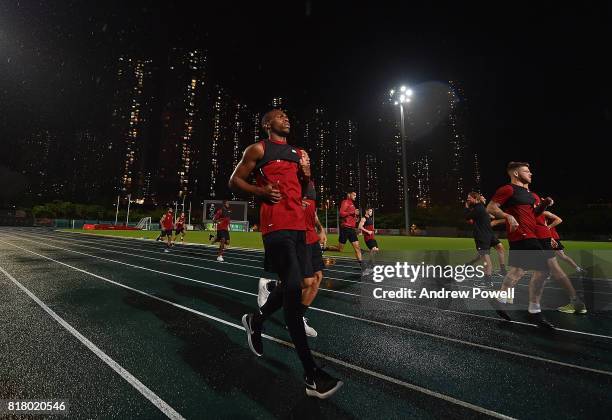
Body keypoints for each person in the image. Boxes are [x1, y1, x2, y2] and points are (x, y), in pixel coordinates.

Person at [229, 109, 342, 399]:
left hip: (302, 228)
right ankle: (311, 374)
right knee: (293, 289)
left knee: (306, 282)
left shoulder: (299, 151)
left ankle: (257, 319)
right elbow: (234, 181)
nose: (286, 118)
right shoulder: (258, 148)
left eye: (288, 116)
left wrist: (306, 176)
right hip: (276, 225)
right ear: (268, 124)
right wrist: (260, 190)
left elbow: (305, 189)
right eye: (280, 116)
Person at [486, 162, 555, 329]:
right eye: (526, 171)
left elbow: (534, 214)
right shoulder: (508, 189)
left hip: (532, 235)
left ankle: (500, 298)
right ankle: (534, 311)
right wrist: (507, 216)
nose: (530, 173)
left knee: (518, 270)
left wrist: (544, 204)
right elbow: (491, 208)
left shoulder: (531, 194)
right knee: (544, 269)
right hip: (521, 234)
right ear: (516, 173)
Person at [258, 181, 326, 338]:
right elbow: (274, 201)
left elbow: (312, 209)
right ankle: (269, 289)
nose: (306, 159)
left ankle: (295, 320)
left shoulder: (310, 182)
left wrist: (320, 228)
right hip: (297, 233)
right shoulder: (290, 176)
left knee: (317, 278)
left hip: (311, 235)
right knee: (303, 282)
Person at [464, 192, 507, 287]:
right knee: (484, 256)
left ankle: (493, 277)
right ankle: (488, 279)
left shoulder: (478, 208)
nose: (467, 199)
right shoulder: (478, 208)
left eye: (469, 198)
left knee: (498, 249)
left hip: (485, 235)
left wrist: (466, 207)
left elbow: (468, 216)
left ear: (475, 199)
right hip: (484, 235)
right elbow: (469, 218)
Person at [325, 191, 364, 269]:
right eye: (354, 195)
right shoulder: (345, 202)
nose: (355, 196)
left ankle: (362, 266)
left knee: (357, 248)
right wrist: (352, 212)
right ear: (349, 195)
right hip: (345, 228)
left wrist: (356, 218)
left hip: (352, 229)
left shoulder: (352, 204)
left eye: (356, 195)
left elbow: (351, 216)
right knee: (340, 249)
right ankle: (324, 248)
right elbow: (341, 213)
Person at [357, 208, 379, 274]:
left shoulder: (370, 218)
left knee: (376, 251)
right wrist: (368, 231)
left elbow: (370, 228)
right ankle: (371, 267)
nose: (371, 212)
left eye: (371, 211)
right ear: (366, 211)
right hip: (368, 238)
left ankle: (364, 252)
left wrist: (374, 230)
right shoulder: (364, 218)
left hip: (373, 237)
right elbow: (360, 227)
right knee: (374, 250)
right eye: (370, 211)